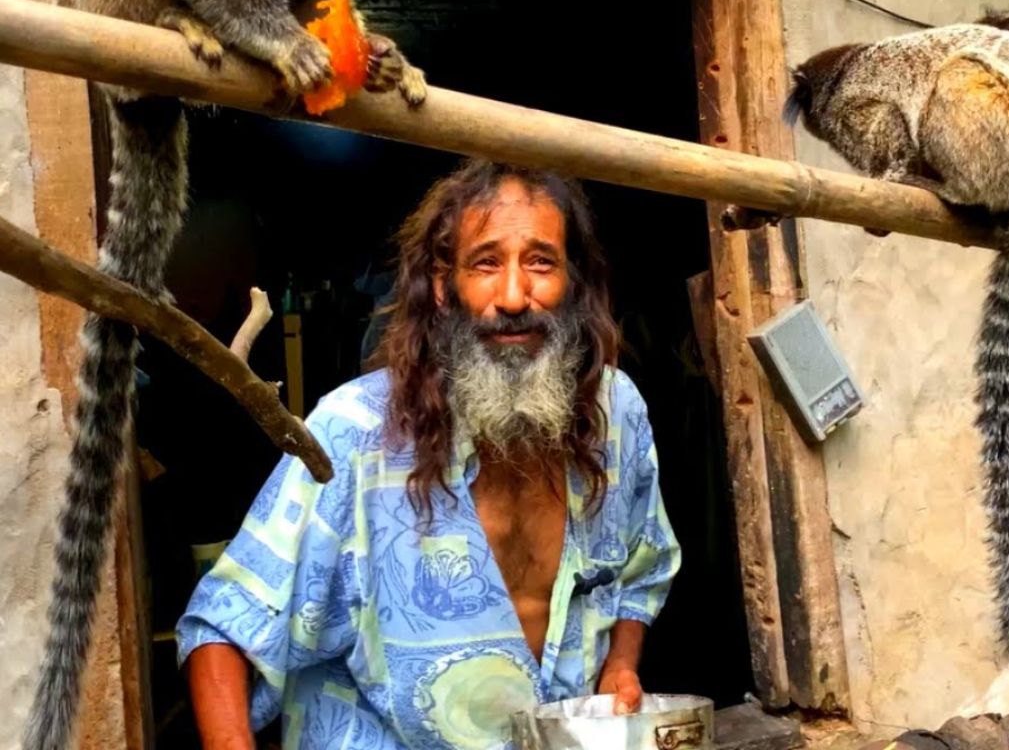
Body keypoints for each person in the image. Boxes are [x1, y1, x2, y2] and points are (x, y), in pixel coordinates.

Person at [175, 158, 682, 749]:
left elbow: (641, 570)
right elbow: (224, 627)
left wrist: (621, 663)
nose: (514, 295)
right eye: (486, 263)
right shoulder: (358, 433)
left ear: (573, 281)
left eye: (540, 261)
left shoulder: (614, 415)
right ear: (443, 286)